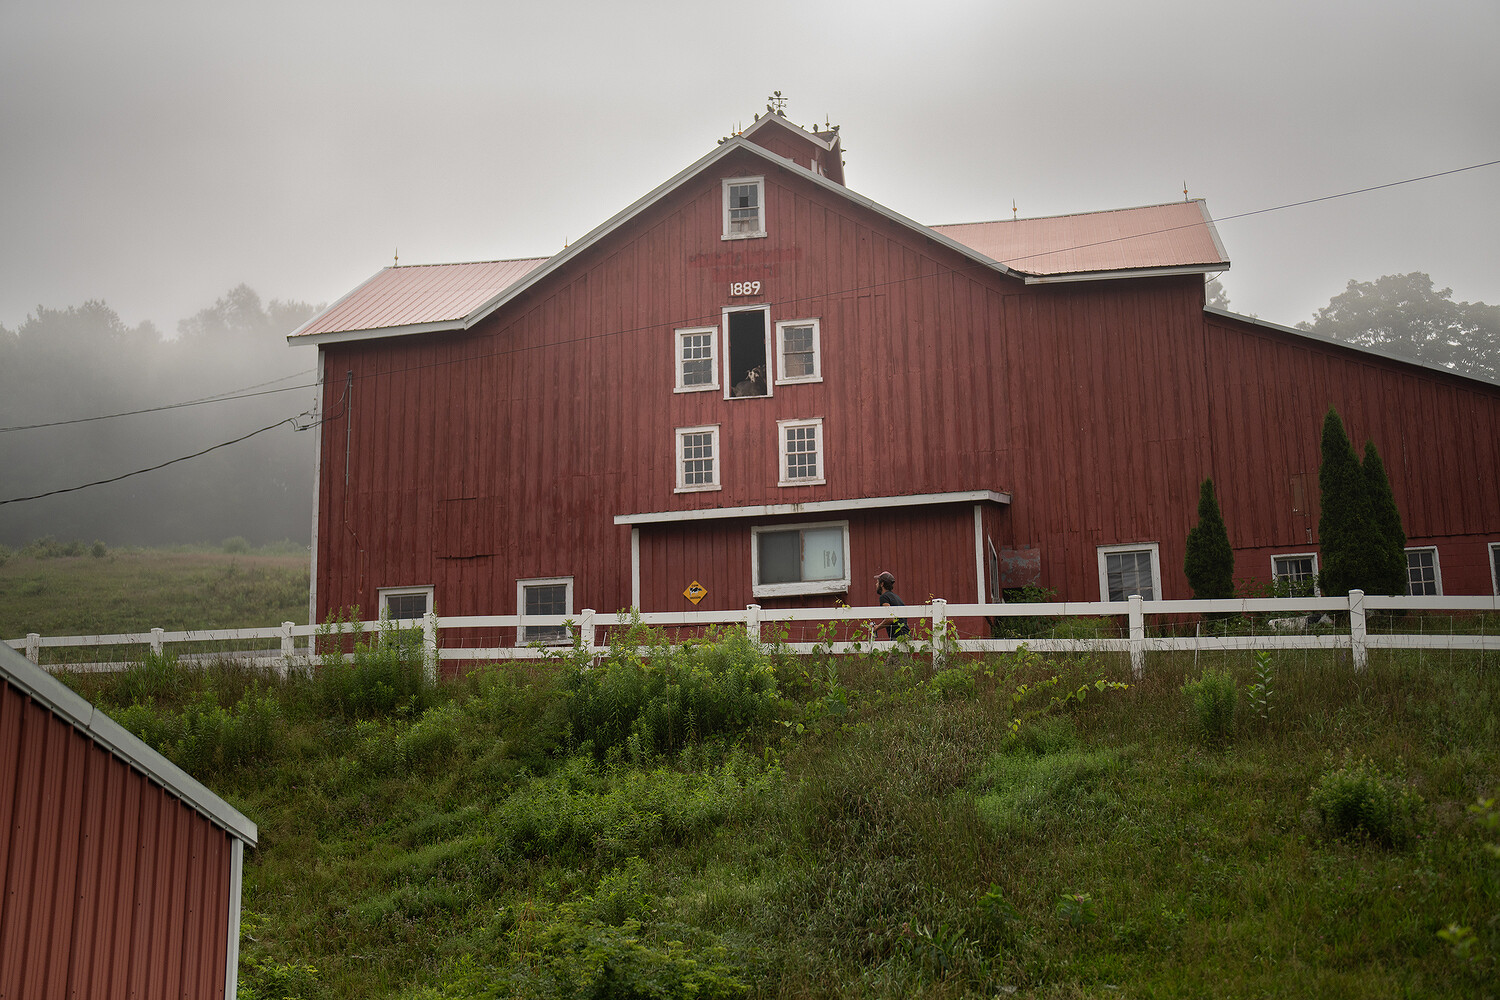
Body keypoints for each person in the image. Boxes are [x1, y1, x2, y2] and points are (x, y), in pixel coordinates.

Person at [874, 571, 910, 639]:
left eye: (877, 582)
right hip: (906, 635)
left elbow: (890, 618)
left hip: (898, 637)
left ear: (882, 584)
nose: (876, 584)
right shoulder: (897, 598)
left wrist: (876, 628)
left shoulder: (884, 597)